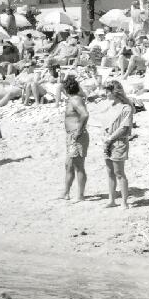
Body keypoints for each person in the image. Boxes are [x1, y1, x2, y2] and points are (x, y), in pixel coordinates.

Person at [101, 80, 134, 209]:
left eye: (107, 91)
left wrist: (110, 138)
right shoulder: (111, 106)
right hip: (108, 141)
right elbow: (105, 123)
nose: (105, 94)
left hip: (119, 142)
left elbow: (124, 128)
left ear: (114, 92)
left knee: (119, 172)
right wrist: (105, 137)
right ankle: (112, 200)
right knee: (110, 172)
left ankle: (124, 202)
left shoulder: (126, 107)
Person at [61, 75, 89, 203]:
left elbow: (84, 114)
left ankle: (80, 196)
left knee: (78, 166)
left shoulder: (75, 100)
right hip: (72, 136)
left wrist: (78, 131)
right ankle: (65, 193)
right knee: (69, 165)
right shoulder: (74, 99)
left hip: (76, 136)